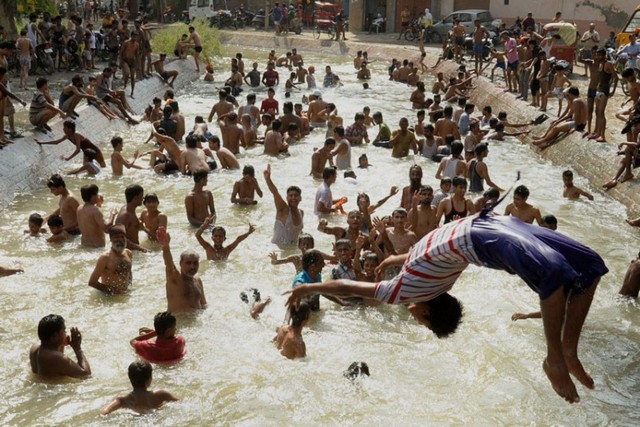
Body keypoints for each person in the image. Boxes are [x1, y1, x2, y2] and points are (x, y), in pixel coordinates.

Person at [287, 213, 608, 404]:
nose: (416, 319)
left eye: (423, 324)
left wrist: (307, 287)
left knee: (576, 269)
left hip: (484, 230)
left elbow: (347, 287)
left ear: (427, 312)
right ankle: (567, 351)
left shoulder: (402, 291)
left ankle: (558, 356)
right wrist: (395, 258)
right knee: (583, 266)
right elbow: (425, 252)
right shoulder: (435, 279)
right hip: (489, 225)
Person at [157, 226, 207, 312]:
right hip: (178, 320)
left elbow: (204, 304)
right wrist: (165, 247)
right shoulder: (175, 277)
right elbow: (169, 264)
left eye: (195, 263)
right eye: (188, 263)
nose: (192, 267)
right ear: (180, 263)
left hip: (197, 319)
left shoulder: (198, 280)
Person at [100, 361, 179, 415]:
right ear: (149, 379)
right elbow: (180, 403)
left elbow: (104, 412)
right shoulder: (161, 395)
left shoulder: (122, 399)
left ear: (130, 378)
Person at [30, 314, 91, 378]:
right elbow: (86, 374)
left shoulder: (35, 347)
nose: (66, 333)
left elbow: (57, 367)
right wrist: (77, 348)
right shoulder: (56, 358)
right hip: (53, 385)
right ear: (55, 335)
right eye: (64, 330)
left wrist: (60, 344)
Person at [36, 119, 107, 168]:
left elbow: (78, 150)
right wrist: (41, 142)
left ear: (70, 129)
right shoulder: (67, 136)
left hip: (95, 151)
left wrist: (68, 158)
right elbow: (56, 142)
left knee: (103, 166)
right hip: (86, 153)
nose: (63, 129)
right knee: (86, 168)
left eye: (65, 128)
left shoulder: (76, 135)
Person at [264, 164, 304, 245]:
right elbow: (275, 193)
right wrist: (268, 179)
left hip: (292, 249)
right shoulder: (283, 209)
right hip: (277, 249)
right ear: (287, 198)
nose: (293, 198)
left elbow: (299, 233)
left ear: (300, 198)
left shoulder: (301, 213)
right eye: (290, 196)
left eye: (296, 195)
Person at [88, 225, 133, 294]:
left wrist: (129, 289)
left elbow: (129, 273)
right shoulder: (105, 258)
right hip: (108, 296)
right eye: (116, 237)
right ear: (111, 239)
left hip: (124, 294)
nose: (120, 240)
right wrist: (115, 292)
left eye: (122, 237)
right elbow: (92, 282)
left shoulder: (128, 253)